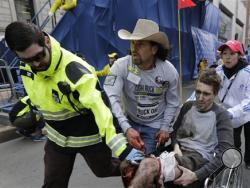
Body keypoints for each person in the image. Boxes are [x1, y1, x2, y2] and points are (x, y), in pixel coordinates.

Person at [5, 21, 144, 188]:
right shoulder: (26, 67)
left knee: (103, 170)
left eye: (39, 57)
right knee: (53, 183)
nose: (35, 65)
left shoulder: (75, 71)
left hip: (89, 138)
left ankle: (138, 167)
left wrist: (123, 149)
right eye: (27, 60)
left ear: (46, 41)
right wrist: (29, 105)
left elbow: (101, 109)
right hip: (58, 140)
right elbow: (41, 93)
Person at [121, 69, 234, 188]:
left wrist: (196, 175)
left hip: (198, 158)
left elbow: (225, 154)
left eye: (206, 94)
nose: (200, 98)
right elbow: (175, 132)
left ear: (215, 94)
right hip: (176, 151)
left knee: (149, 166)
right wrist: (176, 146)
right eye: (198, 92)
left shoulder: (221, 115)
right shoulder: (188, 107)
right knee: (128, 165)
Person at [104, 19, 180, 154]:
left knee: (144, 166)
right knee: (127, 165)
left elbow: (173, 103)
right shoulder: (121, 66)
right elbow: (111, 97)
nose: (134, 48)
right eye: (133, 42)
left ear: (154, 49)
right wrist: (126, 127)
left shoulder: (169, 72)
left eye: (140, 44)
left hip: (155, 126)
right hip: (129, 122)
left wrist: (164, 128)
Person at [216, 40, 250, 169]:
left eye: (232, 53)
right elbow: (205, 86)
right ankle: (234, 159)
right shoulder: (218, 70)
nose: (228, 57)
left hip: (246, 113)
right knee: (232, 142)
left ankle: (248, 160)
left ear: (240, 55)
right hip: (228, 114)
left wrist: (231, 112)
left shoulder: (248, 73)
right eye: (224, 53)